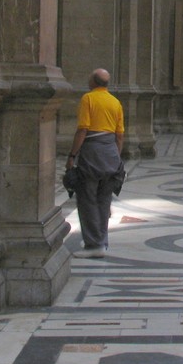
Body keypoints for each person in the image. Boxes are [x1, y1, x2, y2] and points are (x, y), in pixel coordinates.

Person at [67, 68, 126, 258]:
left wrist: (72, 155)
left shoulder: (88, 99)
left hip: (92, 152)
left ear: (93, 81)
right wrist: (116, 158)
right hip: (111, 153)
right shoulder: (115, 102)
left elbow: (83, 129)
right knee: (104, 199)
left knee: (87, 197)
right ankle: (102, 242)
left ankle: (94, 244)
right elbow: (119, 135)